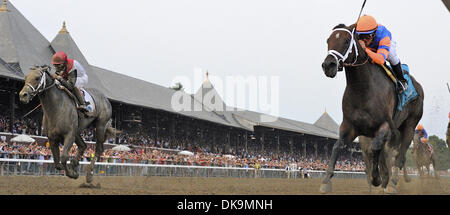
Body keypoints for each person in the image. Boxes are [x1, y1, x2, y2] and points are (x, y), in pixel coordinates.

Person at [355, 15, 408, 93]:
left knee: (391, 55)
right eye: (361, 36)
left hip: (383, 45)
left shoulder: (384, 37)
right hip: (371, 46)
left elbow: (381, 60)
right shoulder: (356, 34)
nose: (364, 40)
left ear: (374, 34)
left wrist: (365, 49)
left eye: (367, 36)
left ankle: (402, 80)